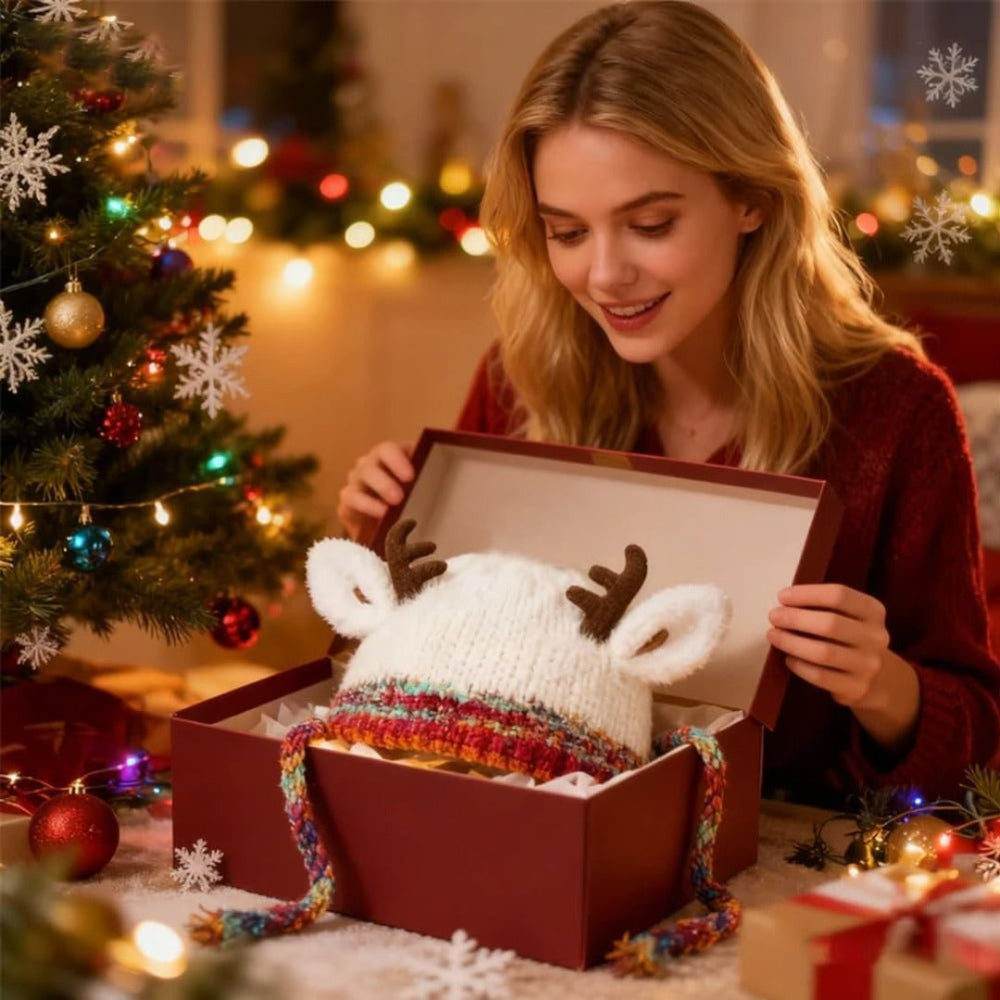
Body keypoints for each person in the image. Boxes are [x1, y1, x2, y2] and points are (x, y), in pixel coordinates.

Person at [336, 0, 1000, 806]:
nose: (605, 275)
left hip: (780, 865)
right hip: (532, 839)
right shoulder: (524, 374)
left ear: (751, 197)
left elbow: (978, 751)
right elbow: (429, 695)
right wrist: (384, 554)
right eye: (567, 232)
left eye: (649, 224)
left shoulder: (897, 410)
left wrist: (885, 686)